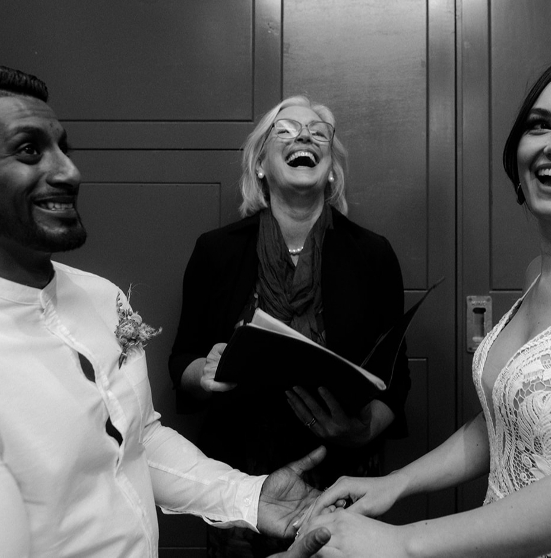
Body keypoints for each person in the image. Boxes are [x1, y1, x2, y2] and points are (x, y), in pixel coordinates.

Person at [0, 65, 330, 558]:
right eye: (29, 150)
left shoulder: (101, 297)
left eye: (63, 148)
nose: (69, 171)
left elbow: (136, 441)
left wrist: (249, 496)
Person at [301, 56, 551, 557]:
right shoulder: (537, 274)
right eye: (540, 125)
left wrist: (403, 543)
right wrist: (397, 483)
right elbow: (507, 420)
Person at [168, 96, 411, 556]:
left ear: (331, 168)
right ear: (261, 164)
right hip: (239, 481)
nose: (304, 136)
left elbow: (395, 381)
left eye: (318, 132)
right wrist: (203, 372)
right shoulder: (216, 251)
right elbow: (182, 359)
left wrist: (360, 431)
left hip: (343, 478)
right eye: (286, 130)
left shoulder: (372, 254)